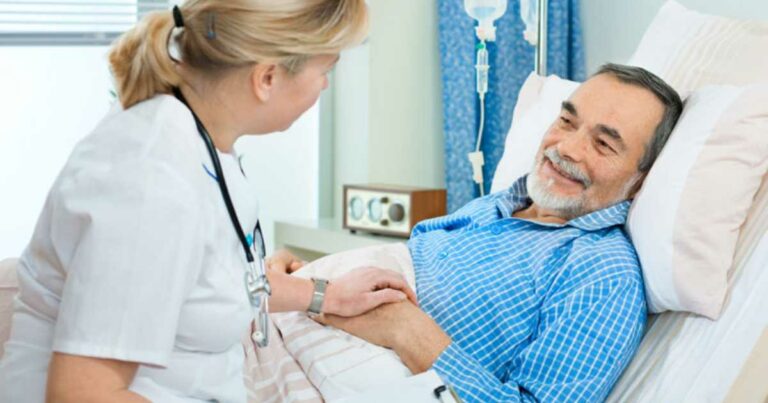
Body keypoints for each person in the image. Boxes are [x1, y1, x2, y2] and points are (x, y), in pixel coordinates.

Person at [0, 1, 417, 402]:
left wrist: (326, 295)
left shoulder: (198, 138)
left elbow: (214, 278)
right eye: (326, 70)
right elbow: (81, 395)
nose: (325, 85)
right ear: (267, 78)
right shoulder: (149, 181)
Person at [274, 64, 685, 402]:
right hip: (284, 332)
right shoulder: (498, 205)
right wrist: (314, 278)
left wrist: (406, 330)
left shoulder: (601, 274)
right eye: (566, 121)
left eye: (604, 145)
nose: (567, 148)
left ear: (641, 179)